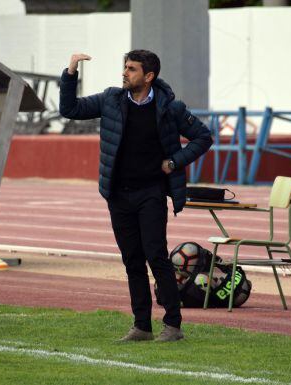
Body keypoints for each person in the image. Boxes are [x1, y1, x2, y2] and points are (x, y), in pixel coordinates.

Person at [59, 50, 212, 342]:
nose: (124, 73)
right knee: (132, 260)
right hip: (119, 195)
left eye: (131, 69)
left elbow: (203, 137)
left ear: (148, 76)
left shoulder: (171, 107)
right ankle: (142, 325)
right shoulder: (110, 100)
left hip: (151, 193)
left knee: (156, 255)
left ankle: (173, 325)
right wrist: (70, 73)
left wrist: (175, 162)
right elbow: (71, 109)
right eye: (124, 67)